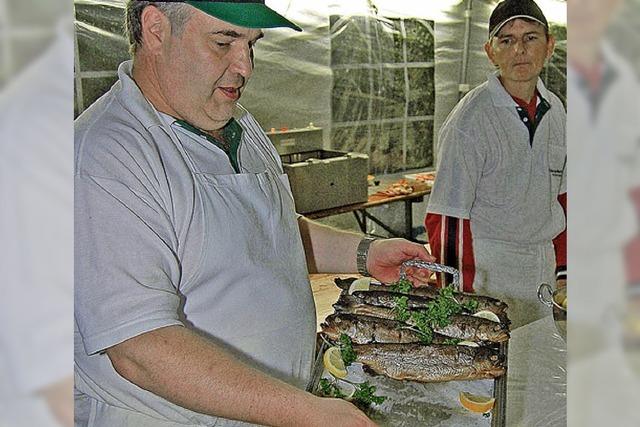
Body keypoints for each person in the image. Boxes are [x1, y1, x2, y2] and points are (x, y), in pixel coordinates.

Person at [74, 1, 434, 426]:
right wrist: (307, 413)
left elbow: (266, 232)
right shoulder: (108, 154)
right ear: (155, 28)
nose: (245, 67)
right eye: (224, 42)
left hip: (267, 407)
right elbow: (140, 348)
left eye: (251, 45)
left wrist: (364, 253)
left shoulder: (239, 125)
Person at [424, 0, 566, 328]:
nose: (519, 49)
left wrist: (564, 270)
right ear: (491, 52)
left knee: (536, 365)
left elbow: (565, 197)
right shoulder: (472, 118)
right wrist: (455, 297)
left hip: (540, 266)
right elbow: (446, 217)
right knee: (489, 370)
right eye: (506, 40)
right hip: (488, 272)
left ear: (549, 46)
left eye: (530, 38)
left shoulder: (556, 111)